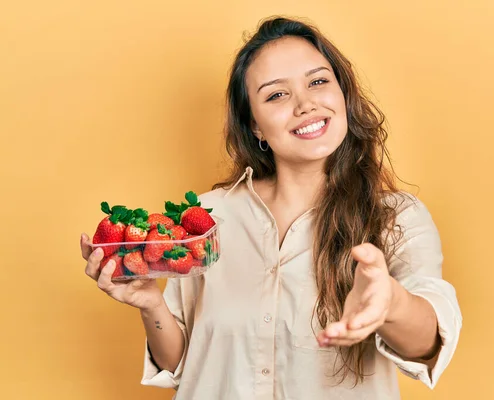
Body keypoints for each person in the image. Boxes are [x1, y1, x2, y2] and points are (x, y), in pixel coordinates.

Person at [82, 16, 462, 399]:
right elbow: (183, 363)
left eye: (318, 81)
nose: (306, 104)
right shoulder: (209, 219)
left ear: (342, 94)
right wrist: (150, 304)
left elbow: (426, 343)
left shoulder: (397, 218)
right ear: (256, 127)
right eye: (276, 95)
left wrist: (391, 303)